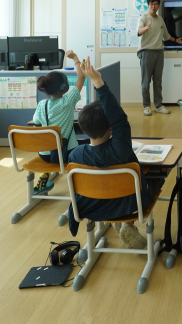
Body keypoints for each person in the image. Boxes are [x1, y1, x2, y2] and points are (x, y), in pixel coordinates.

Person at [67, 57, 165, 249]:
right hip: (128, 205)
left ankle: (116, 222)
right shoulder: (120, 150)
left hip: (92, 206)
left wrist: (95, 81)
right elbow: (120, 120)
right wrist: (98, 82)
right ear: (111, 128)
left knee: (109, 183)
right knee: (157, 175)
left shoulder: (75, 156)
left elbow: (117, 121)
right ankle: (126, 222)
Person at [32, 51, 85, 194]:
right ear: (64, 87)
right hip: (66, 153)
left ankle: (44, 177)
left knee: (53, 146)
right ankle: (82, 188)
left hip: (45, 155)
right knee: (85, 147)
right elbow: (81, 77)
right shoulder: (68, 101)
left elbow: (36, 121)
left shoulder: (42, 104)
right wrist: (75, 58)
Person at [137, 0, 182, 116]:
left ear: (159, 6)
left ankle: (158, 105)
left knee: (158, 81)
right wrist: (146, 27)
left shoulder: (160, 19)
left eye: (155, 4)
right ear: (148, 5)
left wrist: (176, 40)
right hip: (146, 51)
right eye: (151, 4)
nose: (153, 6)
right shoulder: (143, 18)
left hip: (159, 52)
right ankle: (147, 106)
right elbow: (138, 32)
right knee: (145, 82)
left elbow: (166, 35)